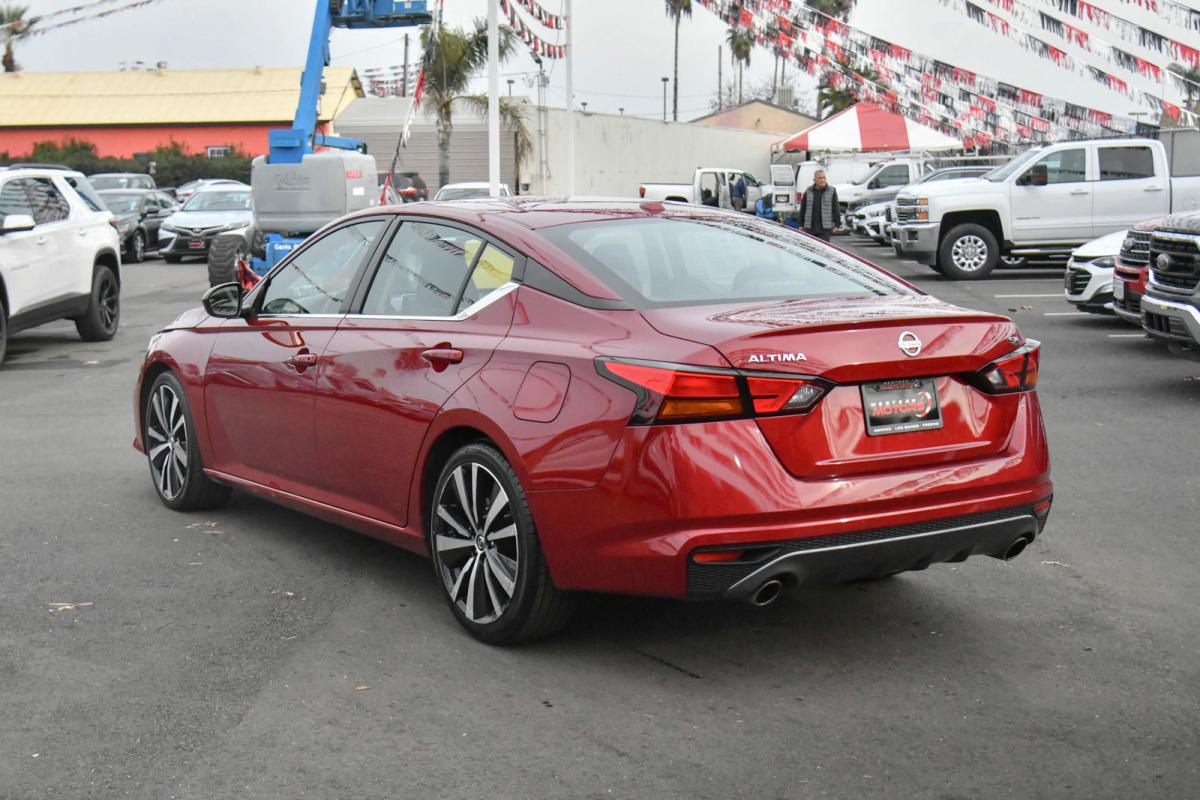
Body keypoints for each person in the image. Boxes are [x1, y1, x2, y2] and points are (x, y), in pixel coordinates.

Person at [797, 169, 842, 242]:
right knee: (810, 247)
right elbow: (803, 209)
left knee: (824, 248)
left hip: (825, 229)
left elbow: (836, 208)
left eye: (824, 178)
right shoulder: (808, 191)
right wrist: (801, 224)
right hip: (810, 228)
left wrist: (837, 225)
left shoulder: (832, 191)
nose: (822, 180)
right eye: (820, 178)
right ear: (814, 179)